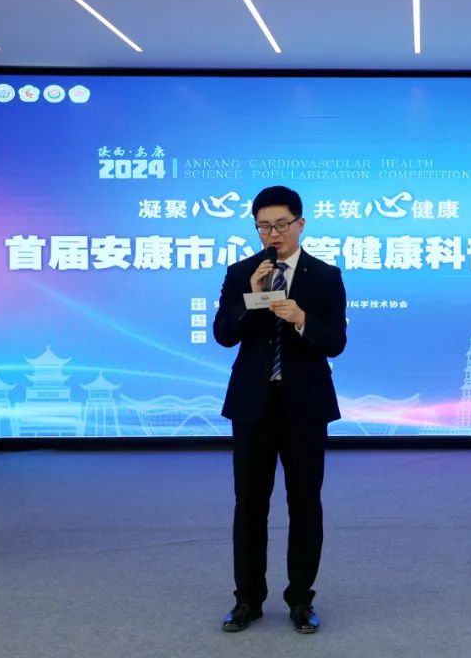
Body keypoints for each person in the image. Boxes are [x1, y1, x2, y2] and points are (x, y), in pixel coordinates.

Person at [213, 185, 347, 634]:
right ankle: (247, 600)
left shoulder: (325, 276)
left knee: (304, 504)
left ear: (300, 224)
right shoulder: (242, 272)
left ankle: (301, 600)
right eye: (264, 227)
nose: (273, 234)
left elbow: (336, 342)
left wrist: (302, 318)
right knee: (249, 505)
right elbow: (223, 334)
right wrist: (250, 298)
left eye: (281, 225)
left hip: (304, 407)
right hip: (253, 406)